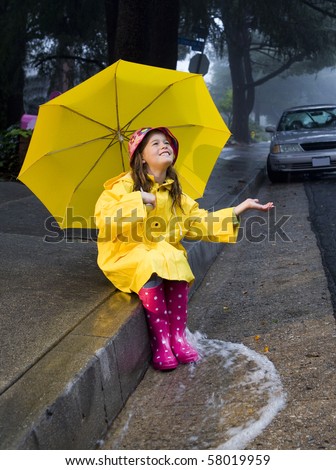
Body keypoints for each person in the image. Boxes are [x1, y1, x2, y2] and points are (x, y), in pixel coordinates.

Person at [94, 127, 274, 371]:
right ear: (141, 156)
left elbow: (197, 222)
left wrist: (236, 210)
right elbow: (104, 219)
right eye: (155, 144)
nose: (163, 145)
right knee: (155, 259)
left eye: (166, 142)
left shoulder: (174, 193)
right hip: (127, 253)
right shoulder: (123, 187)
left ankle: (177, 337)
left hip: (161, 255)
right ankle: (162, 342)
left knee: (175, 256)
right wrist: (139, 200)